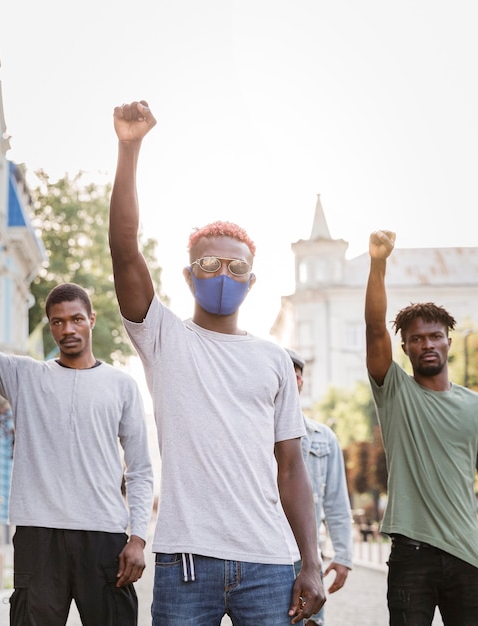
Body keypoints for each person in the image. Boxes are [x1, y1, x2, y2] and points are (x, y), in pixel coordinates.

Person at [108, 100, 326, 625]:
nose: (221, 273)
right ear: (188, 276)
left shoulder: (274, 360)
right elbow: (123, 247)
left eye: (235, 266)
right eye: (207, 263)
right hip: (187, 561)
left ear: (252, 280)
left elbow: (292, 467)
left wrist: (312, 562)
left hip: (270, 563)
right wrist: (129, 148)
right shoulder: (163, 338)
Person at [0, 253, 154, 626]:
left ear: (91, 320)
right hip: (38, 535)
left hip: (104, 535)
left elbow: (140, 469)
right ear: (50, 327)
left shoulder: (121, 386)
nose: (68, 329)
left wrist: (137, 538)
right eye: (57, 322)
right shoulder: (24, 376)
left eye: (76, 319)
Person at [365, 230, 478, 625]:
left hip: (466, 555)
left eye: (434, 337)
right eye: (416, 339)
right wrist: (378, 263)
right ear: (405, 348)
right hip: (411, 556)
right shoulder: (394, 391)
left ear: (448, 342)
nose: (427, 344)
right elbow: (375, 328)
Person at [286, 349, 353, 626]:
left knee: (311, 623)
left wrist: (343, 555)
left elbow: (336, 502)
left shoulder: (323, 438)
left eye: (293, 377)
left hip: (307, 556)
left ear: (300, 383)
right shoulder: (250, 435)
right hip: (263, 557)